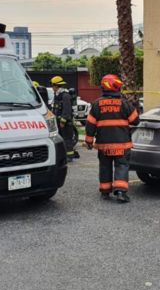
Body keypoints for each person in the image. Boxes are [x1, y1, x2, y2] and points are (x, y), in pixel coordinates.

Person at [85, 74, 139, 204]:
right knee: (121, 165)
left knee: (105, 166)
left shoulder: (97, 104)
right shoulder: (124, 103)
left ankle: (105, 191)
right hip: (122, 145)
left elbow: (90, 124)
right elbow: (135, 121)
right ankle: (120, 192)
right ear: (116, 87)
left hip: (104, 145)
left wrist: (89, 140)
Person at [51, 76, 77, 161]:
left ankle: (69, 156)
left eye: (53, 86)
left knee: (67, 139)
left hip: (65, 123)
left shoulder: (65, 95)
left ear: (56, 85)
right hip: (58, 122)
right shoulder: (57, 95)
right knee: (61, 140)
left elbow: (67, 110)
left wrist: (63, 121)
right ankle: (63, 155)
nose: (52, 88)